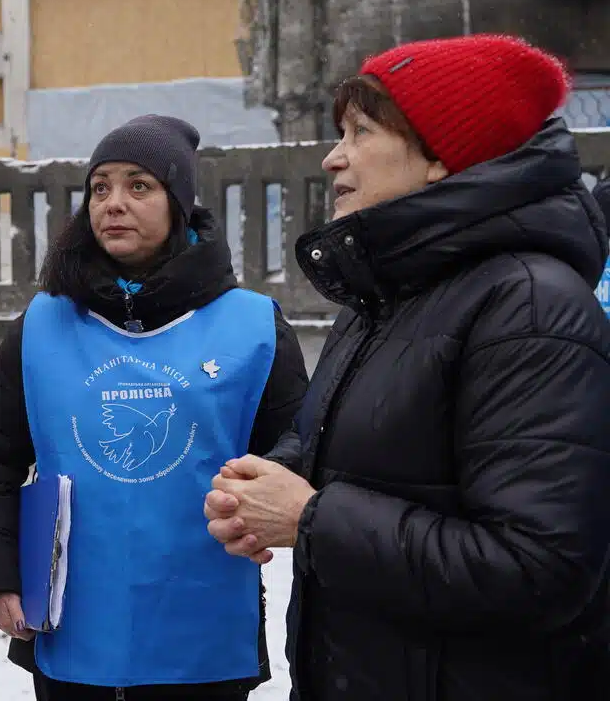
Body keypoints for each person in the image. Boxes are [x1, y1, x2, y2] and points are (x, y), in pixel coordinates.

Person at [203, 34, 610, 700]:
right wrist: (273, 481)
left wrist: (309, 517)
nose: (334, 158)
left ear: (443, 157)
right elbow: (374, 457)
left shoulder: (530, 308)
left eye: (361, 131)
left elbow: (540, 568)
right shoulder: (383, 297)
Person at [0, 114, 310, 700]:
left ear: (178, 201)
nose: (113, 204)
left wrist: (265, 505)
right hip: (73, 626)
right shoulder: (43, 324)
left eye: (138, 186)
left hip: (202, 629)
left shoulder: (253, 326)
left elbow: (302, 448)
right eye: (100, 188)